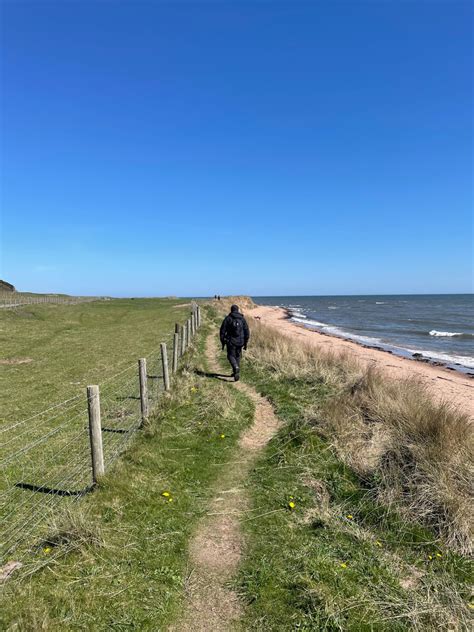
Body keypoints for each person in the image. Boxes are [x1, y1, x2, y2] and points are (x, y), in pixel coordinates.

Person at [220, 304, 250, 381]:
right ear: (238, 310)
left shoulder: (228, 318)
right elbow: (247, 331)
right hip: (240, 342)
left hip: (231, 341)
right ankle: (236, 372)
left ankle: (235, 368)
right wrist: (245, 342)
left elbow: (222, 331)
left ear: (231, 310)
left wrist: (223, 341)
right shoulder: (242, 319)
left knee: (230, 356)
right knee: (237, 356)